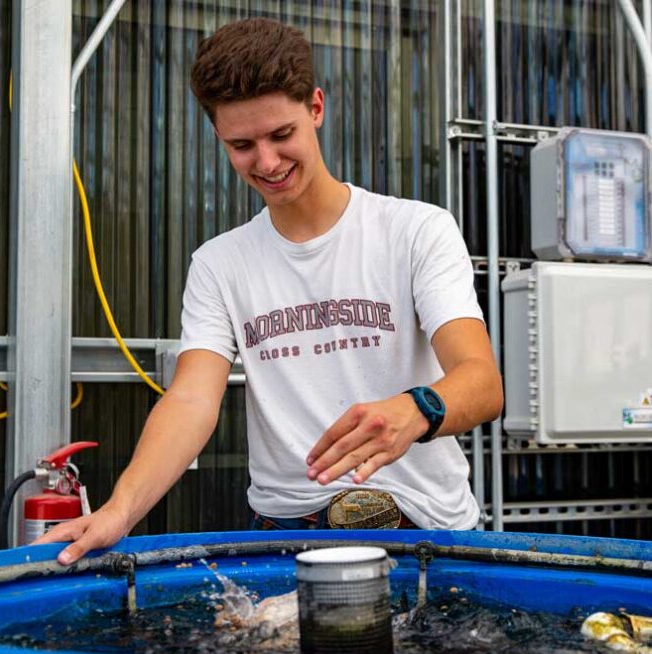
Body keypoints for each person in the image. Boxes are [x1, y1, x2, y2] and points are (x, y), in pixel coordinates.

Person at [35, 18, 503, 563]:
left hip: (430, 535)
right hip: (285, 541)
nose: (267, 162)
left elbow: (482, 382)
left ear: (316, 109)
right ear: (218, 139)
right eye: (242, 145)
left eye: (282, 135)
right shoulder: (219, 264)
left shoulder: (416, 230)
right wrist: (119, 511)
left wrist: (418, 408)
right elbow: (190, 399)